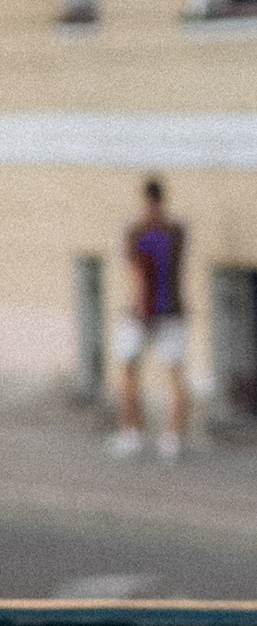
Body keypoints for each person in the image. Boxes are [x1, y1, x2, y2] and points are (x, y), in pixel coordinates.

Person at [110, 179, 190, 461]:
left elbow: (139, 275)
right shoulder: (173, 229)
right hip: (163, 312)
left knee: (148, 372)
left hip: (149, 312)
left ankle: (146, 434)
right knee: (159, 373)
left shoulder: (140, 230)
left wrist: (143, 310)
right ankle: (163, 436)